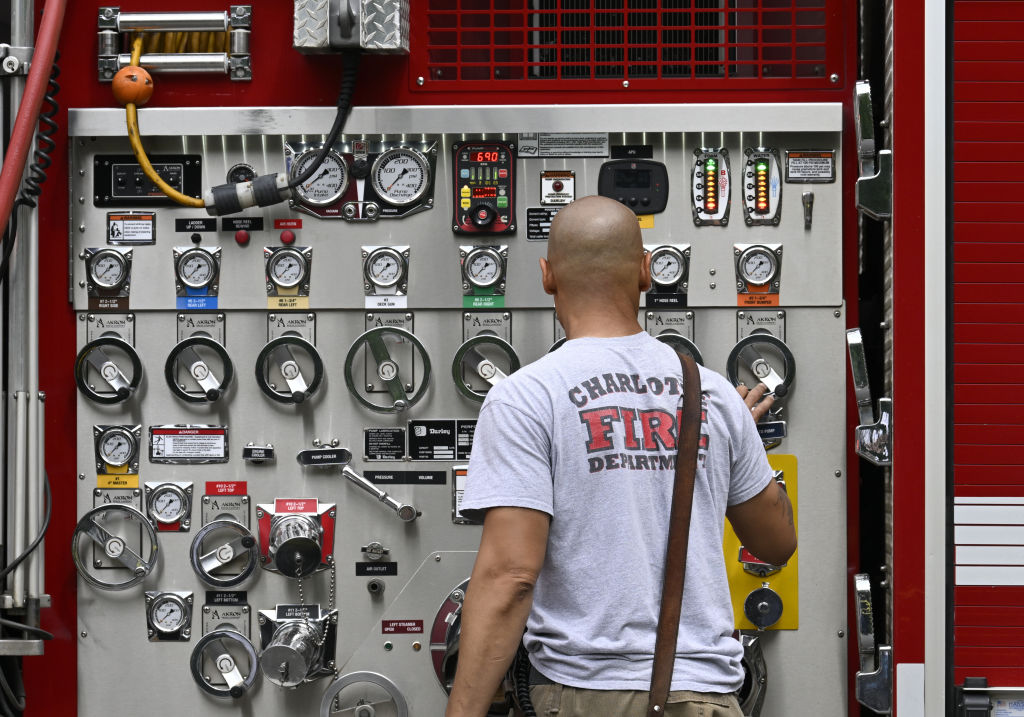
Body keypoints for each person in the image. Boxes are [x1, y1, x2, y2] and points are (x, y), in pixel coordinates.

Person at [445, 195, 797, 717]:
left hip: (583, 694)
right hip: (706, 696)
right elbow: (777, 542)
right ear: (646, 272)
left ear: (546, 276)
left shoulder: (527, 395)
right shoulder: (715, 395)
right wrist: (739, 442)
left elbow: (510, 576)